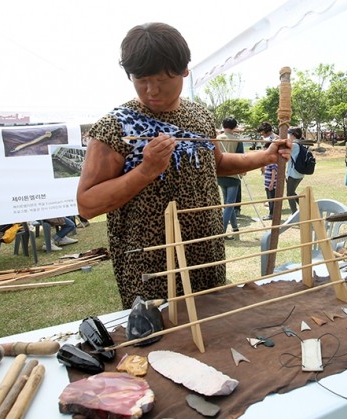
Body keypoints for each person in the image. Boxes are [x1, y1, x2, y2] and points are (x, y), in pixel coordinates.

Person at [76, 22, 292, 309]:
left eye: (162, 80)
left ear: (184, 71)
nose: (151, 90)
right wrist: (145, 171)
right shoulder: (115, 126)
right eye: (140, 79)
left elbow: (217, 164)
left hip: (206, 253)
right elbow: (87, 204)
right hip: (152, 266)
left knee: (213, 329)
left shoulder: (199, 114)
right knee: (162, 342)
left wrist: (265, 156)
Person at [216, 117, 244, 239]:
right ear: (234, 127)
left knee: (228, 202)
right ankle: (221, 232)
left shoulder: (216, 139)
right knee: (229, 203)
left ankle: (235, 227)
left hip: (220, 174)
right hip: (233, 174)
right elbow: (241, 158)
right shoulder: (237, 140)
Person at [286, 127, 306, 214]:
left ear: (293, 135)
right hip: (299, 173)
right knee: (292, 192)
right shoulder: (301, 143)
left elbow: (283, 145)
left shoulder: (294, 145)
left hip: (293, 174)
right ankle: (305, 207)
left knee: (289, 194)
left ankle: (294, 213)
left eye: (289, 134)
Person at [262, 153, 278, 221]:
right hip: (267, 183)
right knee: (269, 199)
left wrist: (271, 183)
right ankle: (271, 213)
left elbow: (274, 172)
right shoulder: (268, 161)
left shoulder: (273, 161)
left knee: (272, 199)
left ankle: (272, 214)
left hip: (271, 184)